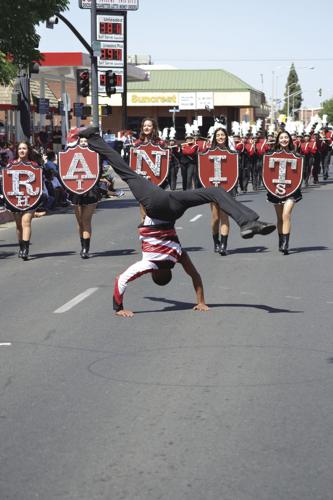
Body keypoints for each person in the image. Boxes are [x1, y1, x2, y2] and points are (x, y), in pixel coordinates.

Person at [77, 127, 276, 316]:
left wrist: (201, 302)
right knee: (124, 171)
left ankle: (248, 221)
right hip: (156, 206)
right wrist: (118, 307)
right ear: (154, 274)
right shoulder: (149, 263)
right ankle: (93, 137)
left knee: (215, 192)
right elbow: (121, 281)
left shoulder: (177, 256)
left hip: (174, 209)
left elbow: (196, 277)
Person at [1, 141, 41, 260]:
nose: (22, 151)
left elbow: (39, 182)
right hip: (14, 199)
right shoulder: (10, 165)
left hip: (31, 199)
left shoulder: (34, 165)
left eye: (24, 148)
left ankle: (25, 250)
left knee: (26, 222)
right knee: (19, 226)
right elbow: (6, 182)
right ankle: (21, 246)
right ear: (17, 151)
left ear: (28, 150)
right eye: (20, 149)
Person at [265, 130, 302, 255]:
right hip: (276, 189)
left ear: (290, 140)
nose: (284, 140)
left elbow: (299, 173)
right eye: (281, 138)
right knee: (280, 218)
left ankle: (286, 244)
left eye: (286, 137)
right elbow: (267, 173)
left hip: (291, 189)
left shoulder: (296, 155)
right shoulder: (271, 154)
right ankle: (281, 241)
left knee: (286, 215)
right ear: (278, 140)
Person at [67, 136, 103, 259]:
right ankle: (82, 244)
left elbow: (99, 173)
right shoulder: (72, 155)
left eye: (85, 141)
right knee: (80, 222)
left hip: (91, 191)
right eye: (81, 141)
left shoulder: (95, 155)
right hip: (75, 191)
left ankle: (85, 249)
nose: (83, 143)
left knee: (86, 220)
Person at [208, 127, 236, 256]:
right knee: (215, 218)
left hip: (227, 188)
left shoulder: (232, 153)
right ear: (215, 137)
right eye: (218, 135)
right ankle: (216, 242)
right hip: (213, 189)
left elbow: (234, 171)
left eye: (222, 135)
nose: (220, 137)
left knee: (225, 216)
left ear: (226, 137)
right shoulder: (208, 152)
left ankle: (224, 245)